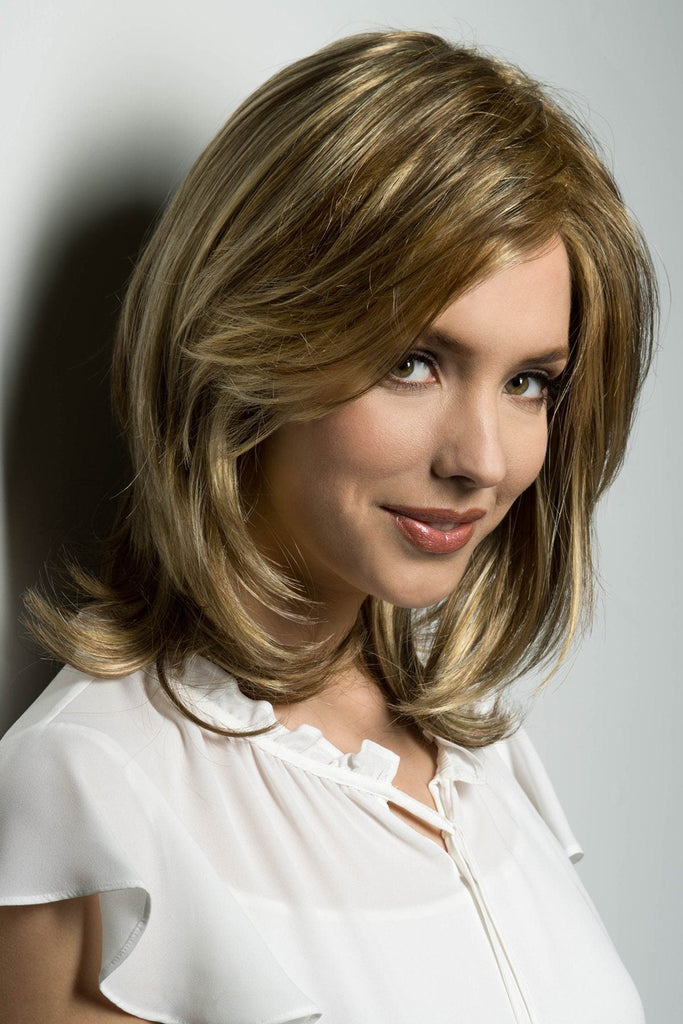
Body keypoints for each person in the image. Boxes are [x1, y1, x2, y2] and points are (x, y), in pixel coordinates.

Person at [0, 29, 656, 1024]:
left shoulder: (483, 763)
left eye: (528, 382)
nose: (482, 460)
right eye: (413, 362)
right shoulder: (93, 804)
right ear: (254, 343)